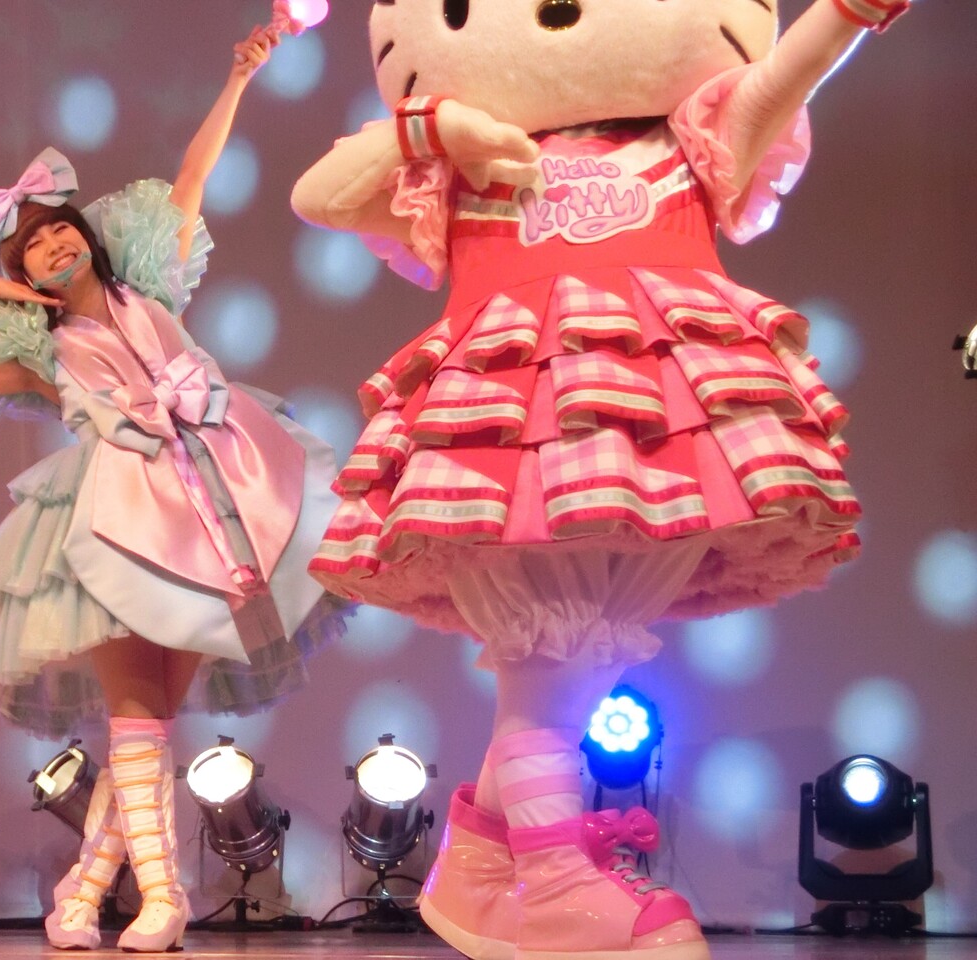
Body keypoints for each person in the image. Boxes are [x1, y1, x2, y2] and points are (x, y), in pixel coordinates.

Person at [291, 0, 909, 957]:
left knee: (573, 666)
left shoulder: (692, 138)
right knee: (551, 656)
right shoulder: (455, 168)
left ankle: (483, 863)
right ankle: (550, 878)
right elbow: (319, 195)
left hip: (654, 416)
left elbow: (780, 81)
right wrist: (435, 129)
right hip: (510, 421)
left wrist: (844, 14)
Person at [0, 24, 341, 953]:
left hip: (218, 500)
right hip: (118, 520)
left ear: (88, 237)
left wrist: (238, 79)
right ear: (21, 272)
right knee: (137, 717)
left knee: (148, 722)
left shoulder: (150, 290)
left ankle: (80, 894)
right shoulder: (42, 351)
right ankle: (164, 898)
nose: (54, 245)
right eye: (32, 248)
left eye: (61, 230)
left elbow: (192, 178)